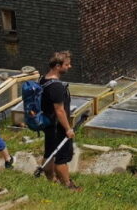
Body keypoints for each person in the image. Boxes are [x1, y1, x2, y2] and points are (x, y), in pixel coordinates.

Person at [40, 51, 79, 190]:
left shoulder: (43, 79)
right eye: (67, 64)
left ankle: (51, 181)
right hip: (58, 126)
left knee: (49, 152)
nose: (70, 66)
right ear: (57, 66)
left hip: (48, 123)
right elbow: (59, 110)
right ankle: (68, 185)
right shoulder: (56, 86)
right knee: (61, 157)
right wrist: (68, 128)